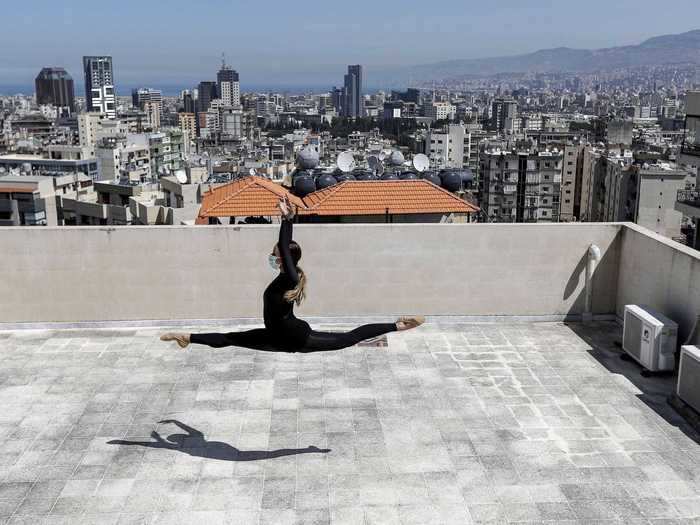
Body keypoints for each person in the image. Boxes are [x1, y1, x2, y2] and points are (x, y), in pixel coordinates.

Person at [160, 195, 424, 353]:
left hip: (295, 337)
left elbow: (285, 246)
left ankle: (399, 325)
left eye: (276, 254)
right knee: (230, 339)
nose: (273, 256)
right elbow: (284, 250)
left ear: (285, 258)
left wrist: (287, 219)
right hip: (278, 336)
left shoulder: (290, 277)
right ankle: (186, 337)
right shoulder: (287, 277)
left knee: (348, 338)